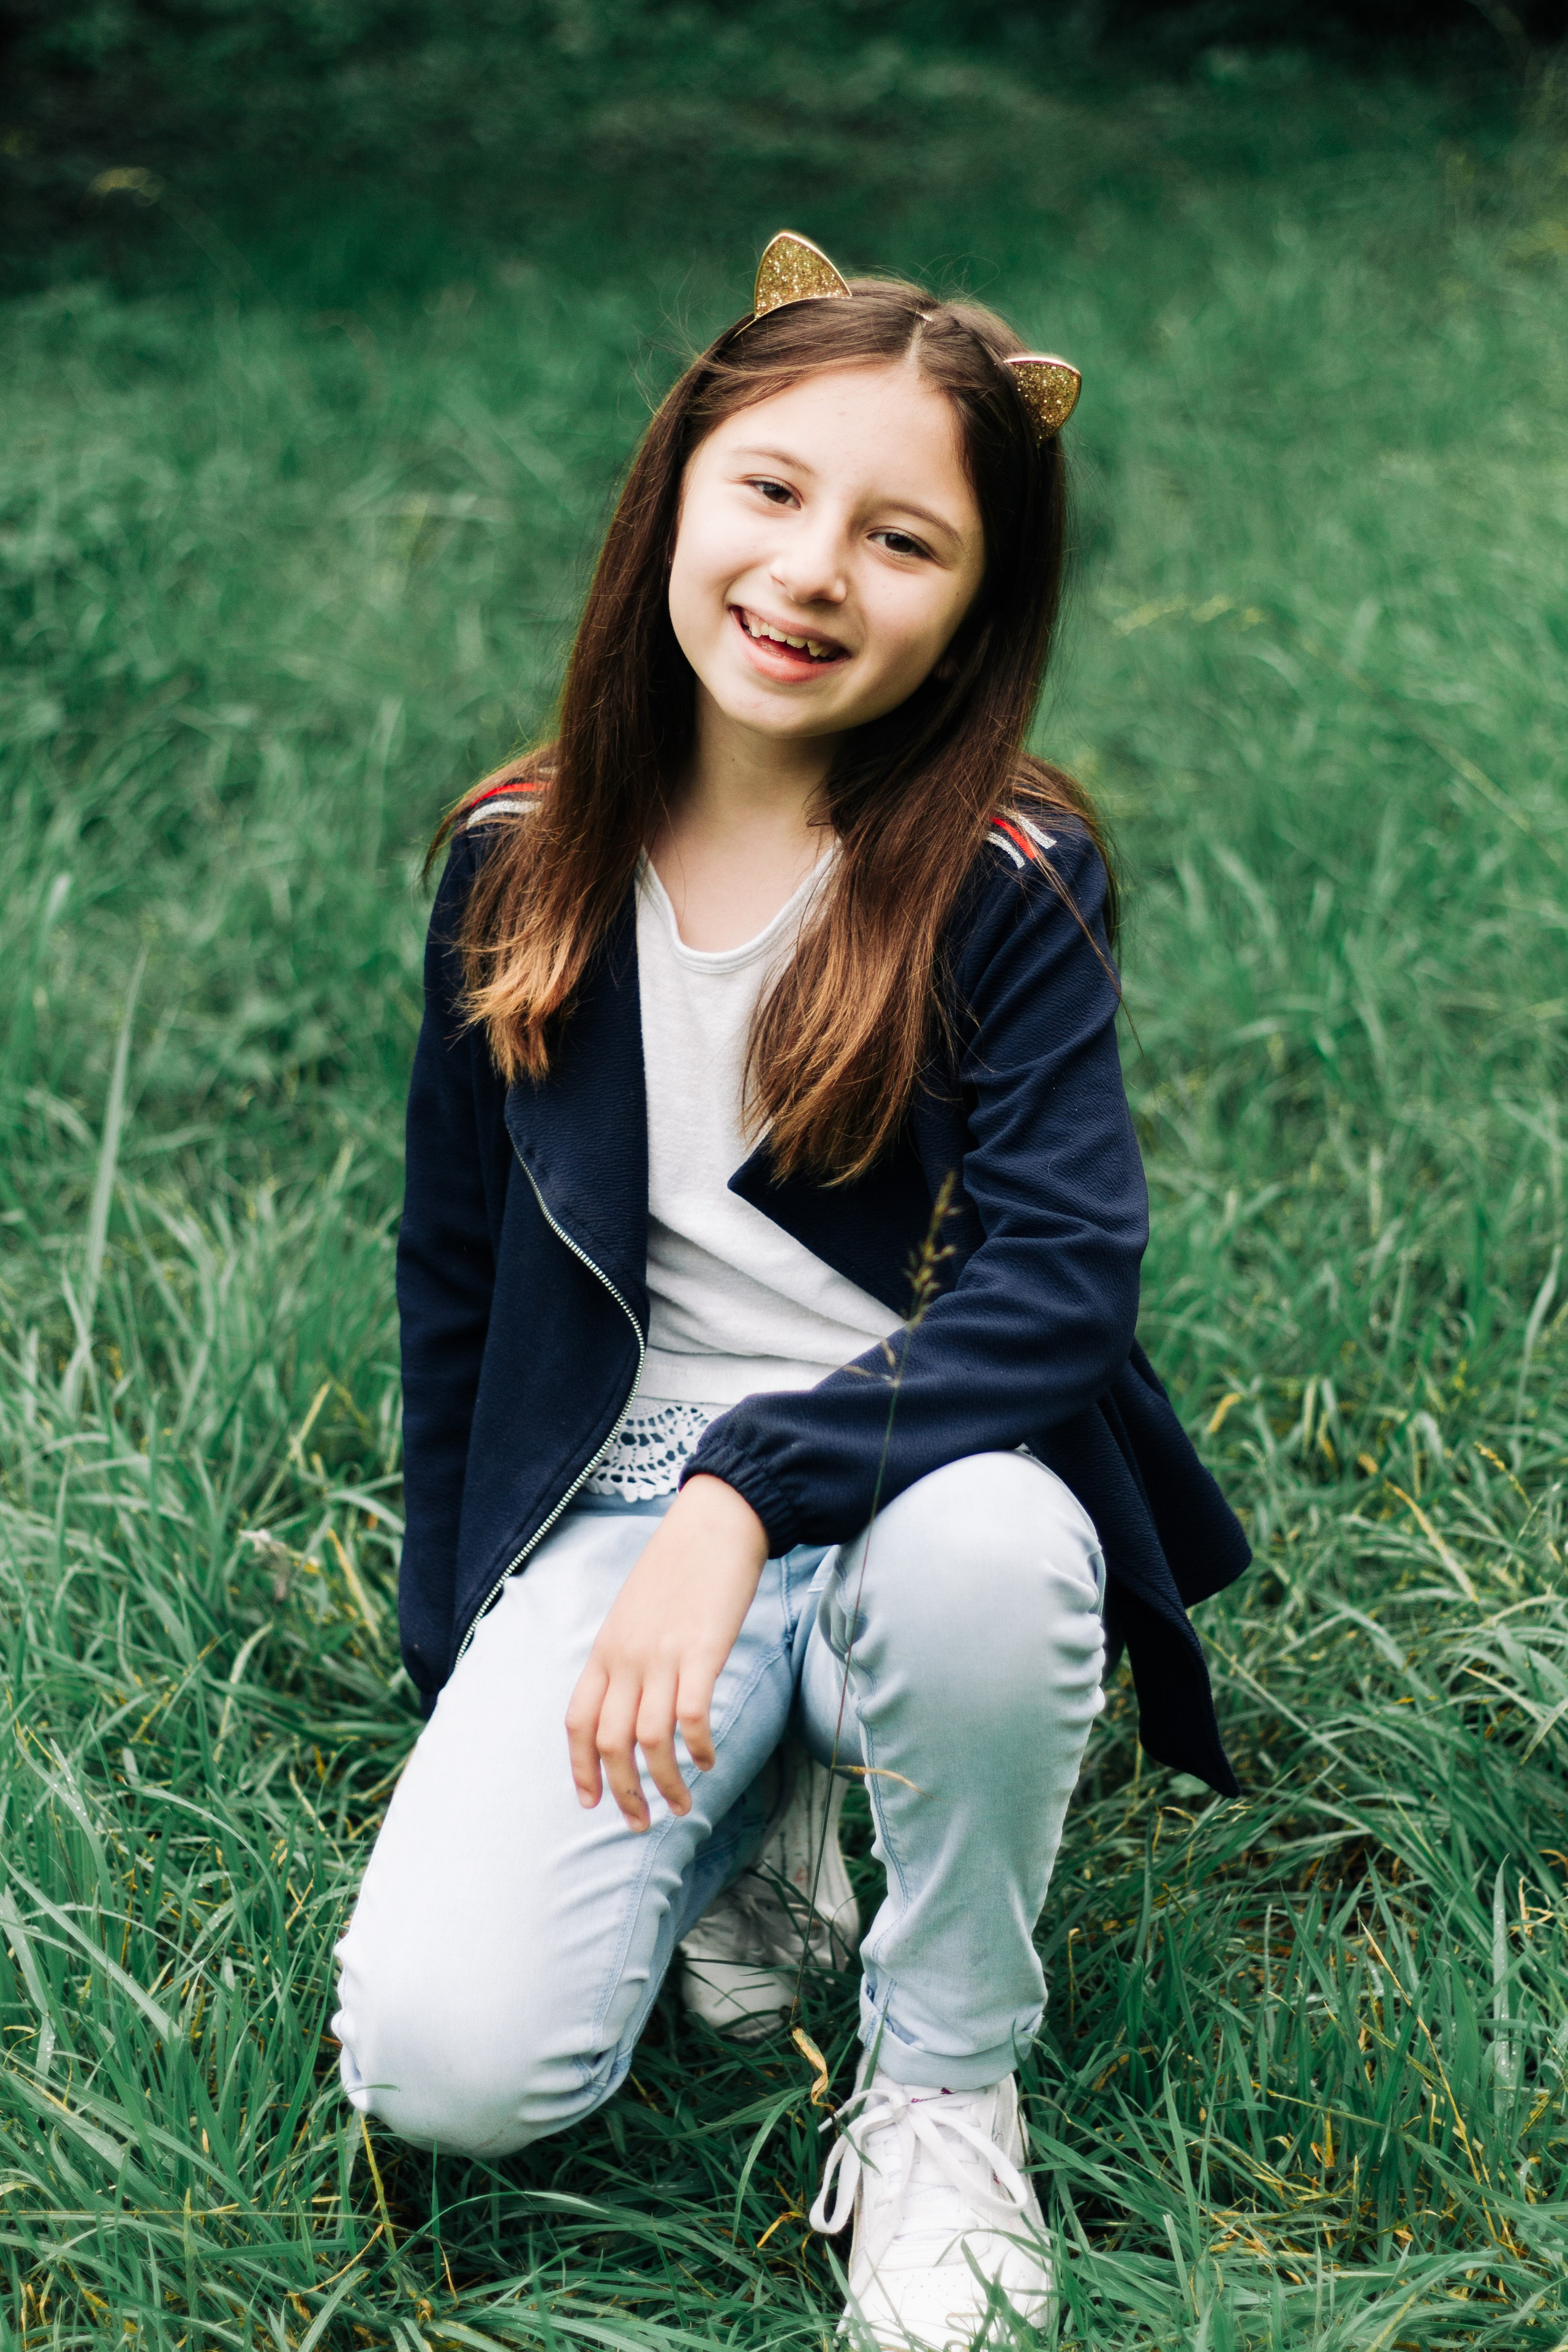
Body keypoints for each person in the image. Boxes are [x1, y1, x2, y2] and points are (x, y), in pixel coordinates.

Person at [333, 232, 1250, 2349]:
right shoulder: (516, 851)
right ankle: (768, 1799)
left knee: (990, 1560)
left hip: (923, 1468)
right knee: (450, 2069)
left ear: (973, 611)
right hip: (610, 1510)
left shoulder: (1001, 878)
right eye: (773, 490)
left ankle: (943, 2083)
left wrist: (757, 1485)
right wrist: (459, 1639)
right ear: (677, 486)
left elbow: (1063, 1283)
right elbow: (452, 1271)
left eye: (902, 537)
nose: (814, 570)